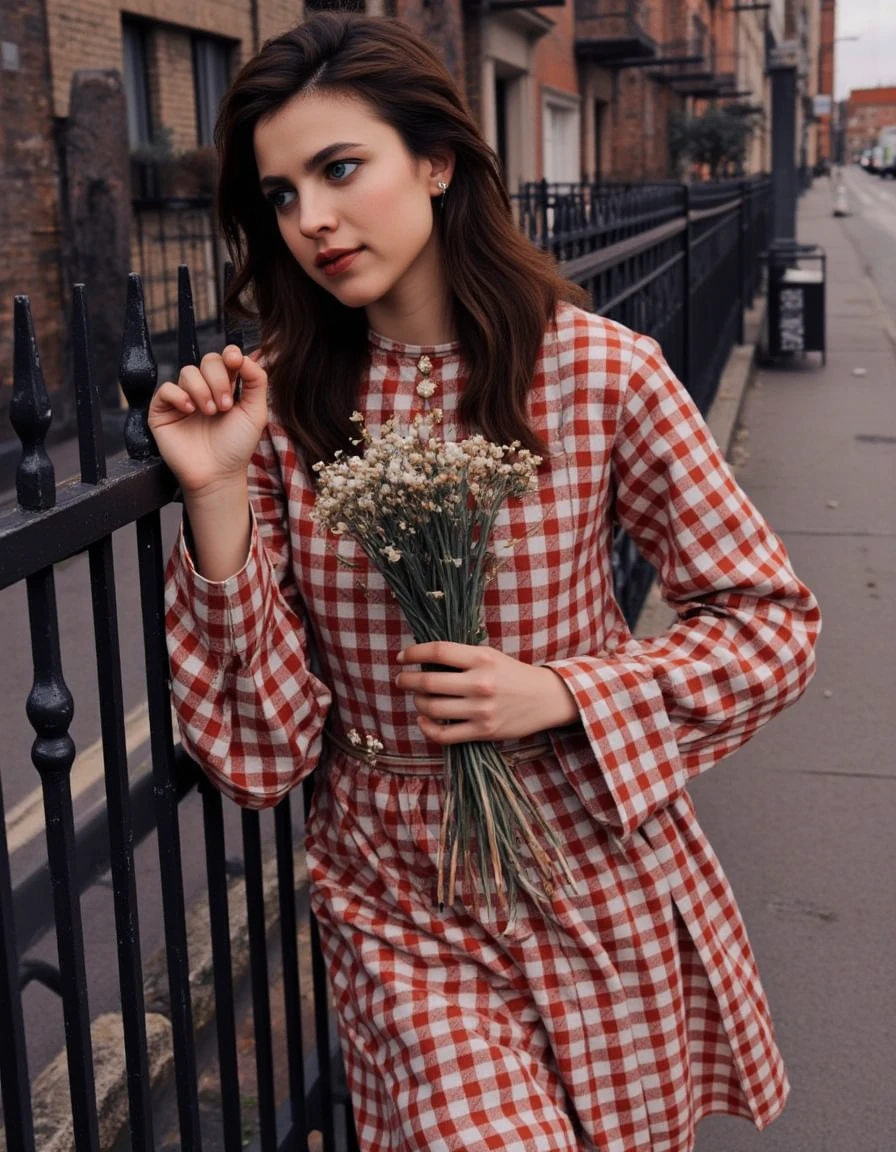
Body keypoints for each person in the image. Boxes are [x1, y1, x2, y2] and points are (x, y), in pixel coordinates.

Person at [148, 12, 821, 1152]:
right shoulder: (273, 413)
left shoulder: (598, 372)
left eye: (339, 168)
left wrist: (563, 694)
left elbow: (769, 626)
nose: (310, 219)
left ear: (437, 160)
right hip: (395, 888)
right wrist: (213, 496)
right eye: (279, 196)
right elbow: (259, 758)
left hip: (586, 854)